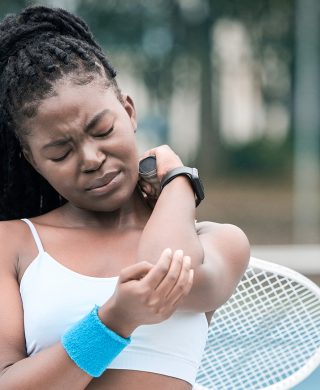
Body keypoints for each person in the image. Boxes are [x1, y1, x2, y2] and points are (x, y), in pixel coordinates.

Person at [0, 5, 250, 390]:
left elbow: (158, 272)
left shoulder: (218, 243)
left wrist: (178, 182)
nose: (91, 159)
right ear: (33, 160)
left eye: (102, 130)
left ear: (129, 111)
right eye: (60, 153)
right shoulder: (12, 243)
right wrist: (112, 322)